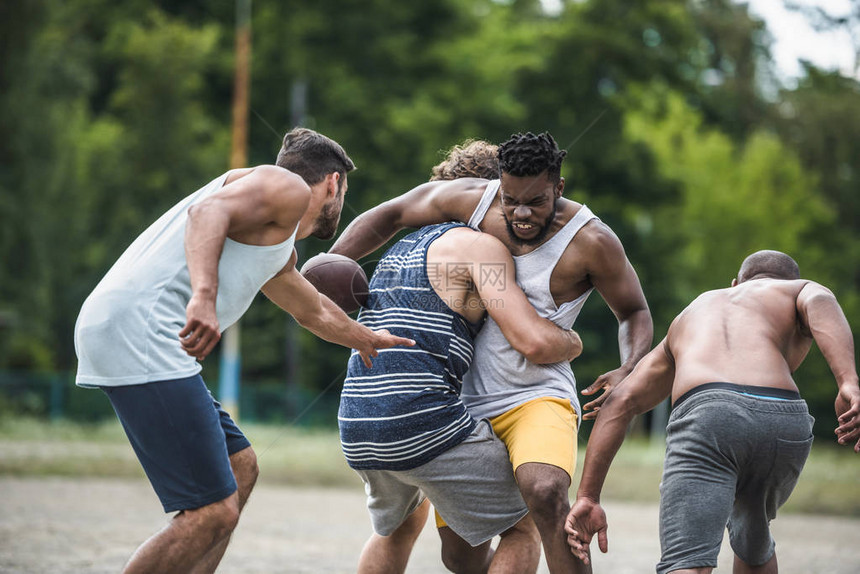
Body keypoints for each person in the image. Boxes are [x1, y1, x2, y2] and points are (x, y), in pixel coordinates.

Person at [73, 127, 414, 574]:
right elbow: (205, 213)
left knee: (241, 468)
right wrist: (204, 294)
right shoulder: (284, 186)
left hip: (132, 330)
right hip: (141, 331)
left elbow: (312, 310)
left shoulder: (273, 238)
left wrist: (367, 338)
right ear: (333, 182)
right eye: (343, 191)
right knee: (212, 510)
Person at [331, 131, 653, 573]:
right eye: (510, 199)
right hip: (464, 402)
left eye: (536, 202)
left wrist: (629, 367)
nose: (520, 214)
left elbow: (633, 311)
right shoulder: (473, 203)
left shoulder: (591, 240)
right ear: (497, 185)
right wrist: (328, 270)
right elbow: (389, 213)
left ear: (558, 188)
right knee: (460, 557)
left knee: (543, 496)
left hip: (535, 394)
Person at [564, 250, 860, 574]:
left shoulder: (693, 312)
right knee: (753, 539)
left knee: (686, 561)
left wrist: (588, 496)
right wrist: (847, 381)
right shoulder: (797, 291)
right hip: (783, 419)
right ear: (789, 281)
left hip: (710, 417)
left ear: (734, 284)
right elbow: (820, 297)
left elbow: (621, 402)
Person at [340, 219, 583, 574]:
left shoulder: (398, 251)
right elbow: (531, 340)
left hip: (357, 422)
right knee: (523, 525)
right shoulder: (479, 247)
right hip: (419, 423)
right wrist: (571, 342)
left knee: (398, 527)